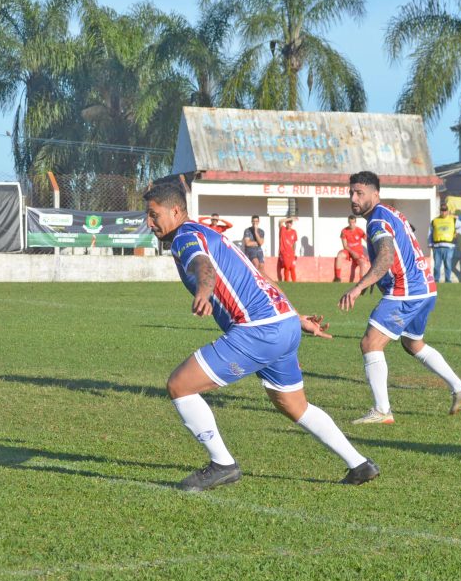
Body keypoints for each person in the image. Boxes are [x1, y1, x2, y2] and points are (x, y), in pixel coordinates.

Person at [143, 179, 379, 490]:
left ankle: (222, 464)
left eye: (153, 215)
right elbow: (260, 278)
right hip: (281, 324)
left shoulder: (186, 237)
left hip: (258, 331)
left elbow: (203, 266)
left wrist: (204, 290)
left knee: (180, 385)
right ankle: (359, 464)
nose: (149, 223)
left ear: (176, 211)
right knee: (294, 405)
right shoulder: (209, 233)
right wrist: (296, 318)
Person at [338, 171, 461, 424]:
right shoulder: (391, 213)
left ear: (375, 195)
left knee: (370, 343)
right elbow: (406, 234)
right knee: (412, 344)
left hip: (406, 289)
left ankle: (382, 411)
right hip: (426, 286)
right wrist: (376, 277)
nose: (354, 198)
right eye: (352, 193)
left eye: (360, 193)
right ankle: (460, 388)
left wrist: (359, 286)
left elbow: (387, 256)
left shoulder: (377, 222)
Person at [429, 201, 461, 283]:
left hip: (449, 246)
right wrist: (430, 244)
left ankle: (448, 280)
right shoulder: (435, 220)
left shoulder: (453, 220)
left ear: (448, 211)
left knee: (448, 265)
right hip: (437, 246)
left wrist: (457, 232)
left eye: (445, 210)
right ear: (440, 210)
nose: (444, 212)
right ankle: (436, 280)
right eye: (442, 210)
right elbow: (430, 233)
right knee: (437, 266)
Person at [335, 215, 368, 283]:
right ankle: (337, 278)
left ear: (355, 222)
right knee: (339, 255)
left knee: (362, 263)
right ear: (348, 222)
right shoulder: (344, 231)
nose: (351, 224)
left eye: (353, 222)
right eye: (350, 222)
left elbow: (367, 240)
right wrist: (352, 253)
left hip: (358, 252)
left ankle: (361, 282)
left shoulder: (359, 230)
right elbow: (345, 246)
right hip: (348, 251)